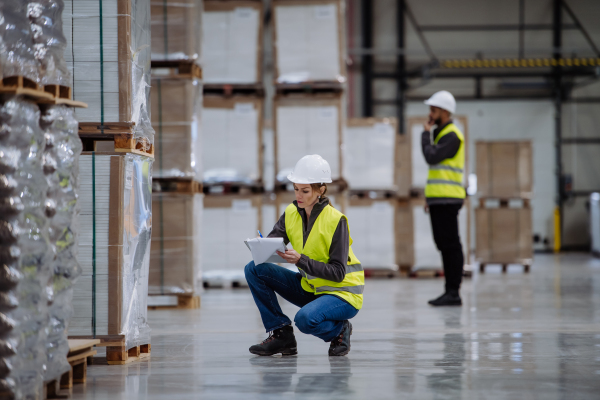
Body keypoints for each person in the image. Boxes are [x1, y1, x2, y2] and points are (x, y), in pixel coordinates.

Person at [244, 155, 364, 357]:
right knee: (254, 268)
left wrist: (300, 260)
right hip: (311, 288)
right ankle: (281, 333)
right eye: (296, 189)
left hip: (342, 293)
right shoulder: (292, 212)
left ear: (320, 190)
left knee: (305, 319)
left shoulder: (336, 220)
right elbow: (273, 243)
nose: (299, 196)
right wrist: (261, 246)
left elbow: (337, 272)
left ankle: (340, 330)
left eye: (305, 191)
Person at [421, 90, 466, 307]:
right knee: (444, 245)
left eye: (434, 109)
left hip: (448, 199)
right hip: (439, 199)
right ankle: (449, 291)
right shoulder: (442, 134)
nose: (430, 114)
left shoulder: (452, 135)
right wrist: (429, 198)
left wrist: (425, 133)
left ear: (445, 112)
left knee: (451, 245)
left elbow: (431, 157)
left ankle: (453, 292)